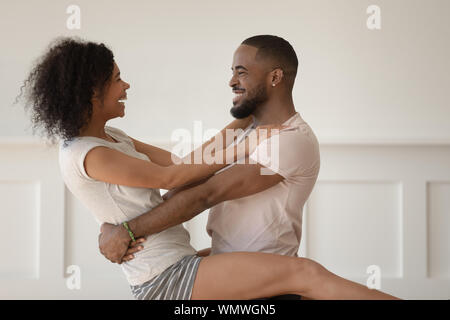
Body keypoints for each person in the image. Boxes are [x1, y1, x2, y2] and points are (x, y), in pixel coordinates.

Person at [20, 36, 399, 300]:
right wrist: (247, 142)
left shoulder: (110, 136)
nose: (126, 85)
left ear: (274, 78)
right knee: (307, 276)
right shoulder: (89, 153)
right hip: (163, 277)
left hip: (175, 261)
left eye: (241, 73)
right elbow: (178, 181)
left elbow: (184, 165)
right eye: (117, 79)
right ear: (90, 91)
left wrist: (240, 124)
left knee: (306, 279)